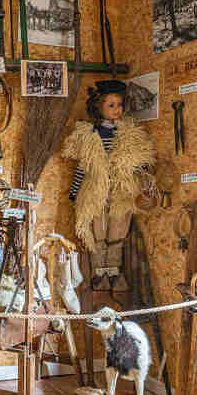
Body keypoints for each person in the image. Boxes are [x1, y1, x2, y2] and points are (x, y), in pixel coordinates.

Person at [61, 80, 155, 290]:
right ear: (99, 107)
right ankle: (98, 270)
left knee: (118, 227)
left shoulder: (129, 134)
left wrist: (142, 182)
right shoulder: (89, 135)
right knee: (98, 229)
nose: (116, 110)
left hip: (121, 190)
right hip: (96, 189)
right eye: (111, 105)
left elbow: (139, 163)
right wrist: (75, 192)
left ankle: (113, 269)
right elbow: (83, 167)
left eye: (119, 105)